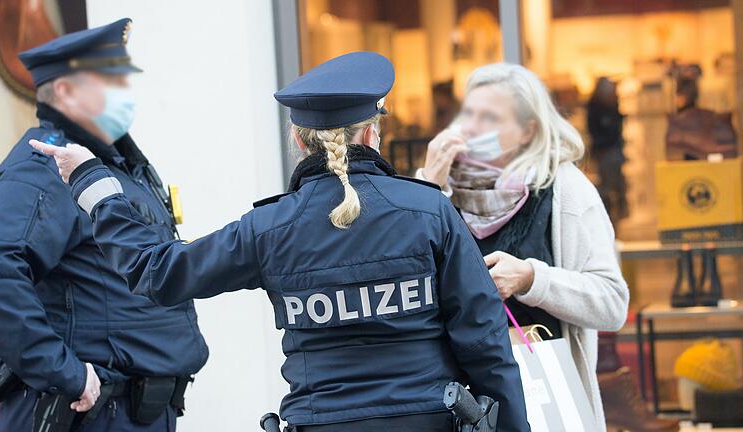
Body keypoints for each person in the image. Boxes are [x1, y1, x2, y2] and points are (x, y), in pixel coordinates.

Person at [31, 51, 530, 432]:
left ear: (298, 140)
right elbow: (484, 340)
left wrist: (96, 187)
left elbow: (157, 272)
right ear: (372, 134)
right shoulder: (428, 212)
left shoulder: (268, 229)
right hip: (428, 419)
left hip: (321, 421)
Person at [0, 18, 208, 431]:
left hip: (136, 411)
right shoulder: (44, 170)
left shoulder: (116, 166)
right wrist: (65, 373)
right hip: (90, 413)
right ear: (65, 90)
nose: (125, 93)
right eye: (111, 80)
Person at [418, 63, 629, 431]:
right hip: (453, 399)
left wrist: (532, 278)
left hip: (542, 391)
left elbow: (612, 304)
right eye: (468, 113)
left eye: (490, 118)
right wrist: (428, 185)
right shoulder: (436, 193)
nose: (471, 127)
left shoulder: (565, 190)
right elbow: (406, 276)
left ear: (528, 130)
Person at [587, 77, 628, 223]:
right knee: (608, 185)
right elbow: (598, 130)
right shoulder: (597, 108)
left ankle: (616, 212)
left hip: (611, 150)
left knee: (615, 183)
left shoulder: (608, 106)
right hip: (605, 151)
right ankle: (610, 212)